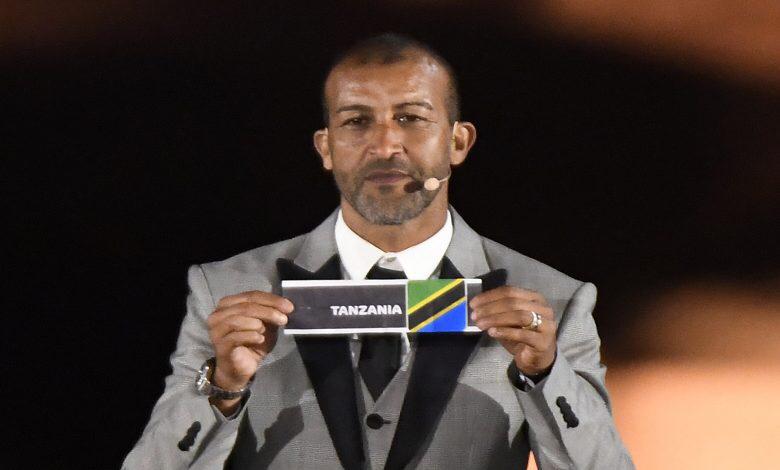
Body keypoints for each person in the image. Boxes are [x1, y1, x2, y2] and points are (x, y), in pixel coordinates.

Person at [123, 33, 633, 469]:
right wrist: (223, 387)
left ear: (458, 142)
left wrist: (545, 374)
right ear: (326, 147)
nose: (386, 145)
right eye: (356, 121)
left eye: (411, 118)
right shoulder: (227, 291)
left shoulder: (554, 301)